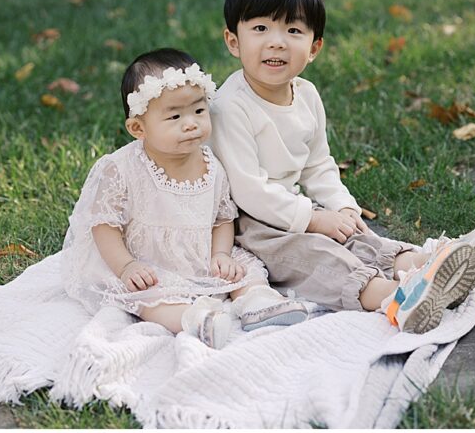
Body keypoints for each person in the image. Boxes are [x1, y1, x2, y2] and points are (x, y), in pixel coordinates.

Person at [211, 0, 475, 334]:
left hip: (290, 205)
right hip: (246, 224)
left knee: (357, 237)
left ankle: (421, 263)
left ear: (314, 47)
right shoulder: (230, 106)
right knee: (320, 258)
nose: (277, 42)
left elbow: (318, 164)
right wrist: (314, 219)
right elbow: (248, 190)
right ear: (233, 41)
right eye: (260, 29)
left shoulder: (306, 94)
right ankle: (396, 297)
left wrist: (342, 206)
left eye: (293, 31)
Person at [60, 49, 308, 348]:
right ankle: (193, 320)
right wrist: (126, 266)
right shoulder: (121, 167)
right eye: (175, 116)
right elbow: (103, 225)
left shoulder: (211, 164)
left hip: (199, 253)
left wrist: (221, 255)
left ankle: (256, 301)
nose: (190, 123)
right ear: (138, 128)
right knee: (147, 297)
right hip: (144, 260)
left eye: (199, 111)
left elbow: (221, 218)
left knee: (246, 268)